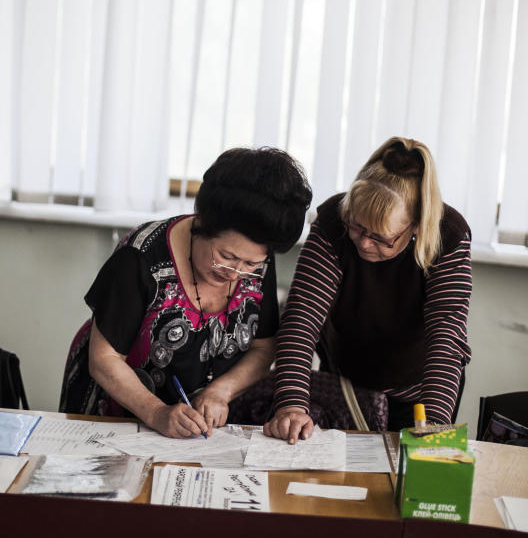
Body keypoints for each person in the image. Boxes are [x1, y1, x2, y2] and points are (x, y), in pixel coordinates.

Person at [60, 147, 312, 438]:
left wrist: (220, 392)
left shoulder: (256, 264)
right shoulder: (140, 256)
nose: (235, 273)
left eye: (251, 264)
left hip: (199, 431)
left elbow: (263, 347)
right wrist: (156, 412)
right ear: (202, 221)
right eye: (226, 256)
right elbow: (104, 359)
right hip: (116, 417)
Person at [263, 137, 472, 443]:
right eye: (356, 227)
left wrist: (434, 423)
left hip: (421, 389)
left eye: (380, 238)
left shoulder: (448, 236)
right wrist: (291, 404)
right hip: (348, 380)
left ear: (415, 226)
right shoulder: (334, 221)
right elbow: (301, 319)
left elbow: (446, 337)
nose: (362, 243)